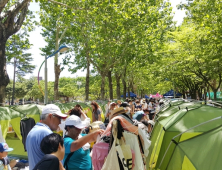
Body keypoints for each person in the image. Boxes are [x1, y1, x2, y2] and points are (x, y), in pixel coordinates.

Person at [26, 104, 68, 170]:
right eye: (59, 118)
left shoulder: (33, 131)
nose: (60, 122)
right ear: (50, 116)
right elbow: (57, 160)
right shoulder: (46, 133)